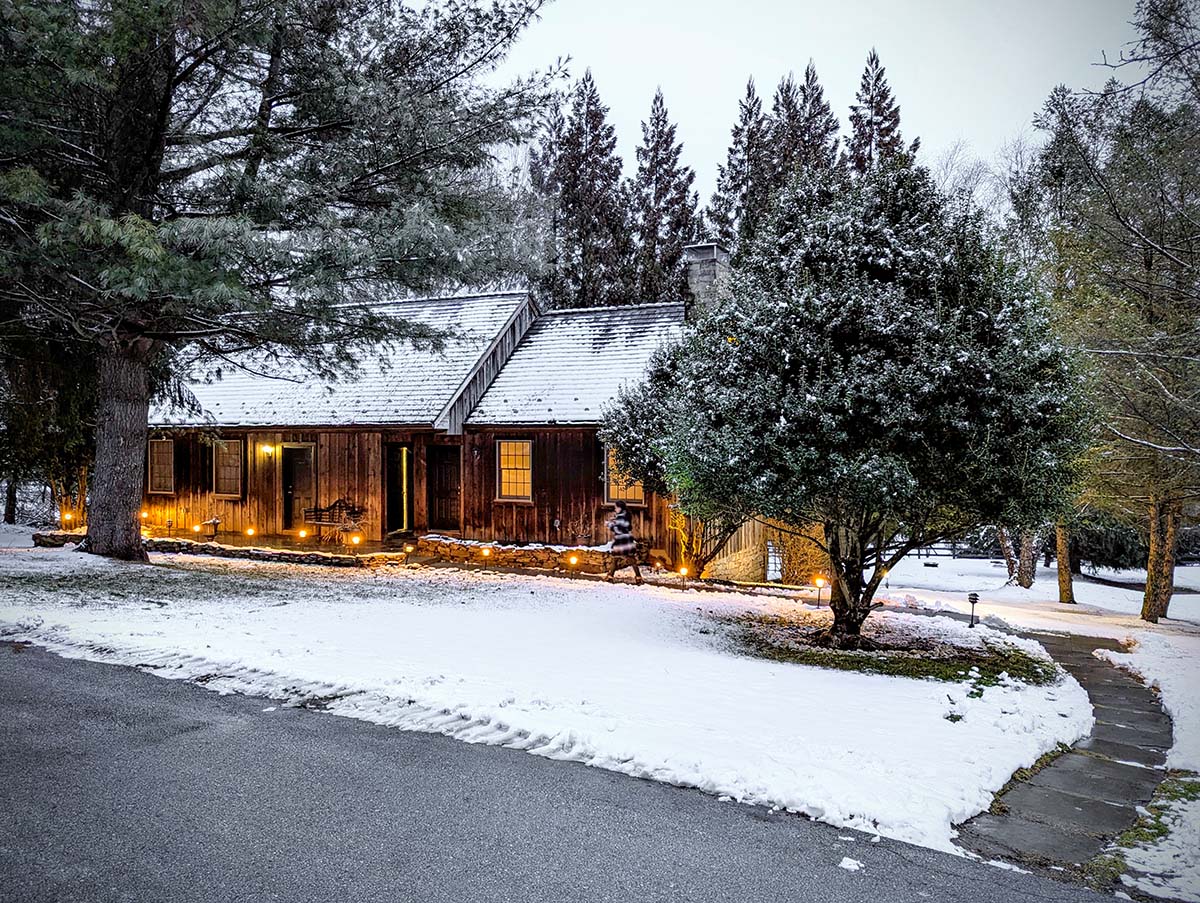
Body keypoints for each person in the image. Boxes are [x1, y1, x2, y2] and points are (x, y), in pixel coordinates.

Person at [605, 500, 643, 584]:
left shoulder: (621, 517)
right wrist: (614, 521)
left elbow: (618, 529)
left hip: (622, 541)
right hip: (625, 540)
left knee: (624, 558)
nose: (615, 509)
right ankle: (610, 575)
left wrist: (610, 525)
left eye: (616, 507)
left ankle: (638, 576)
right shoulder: (625, 515)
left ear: (620, 508)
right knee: (620, 558)